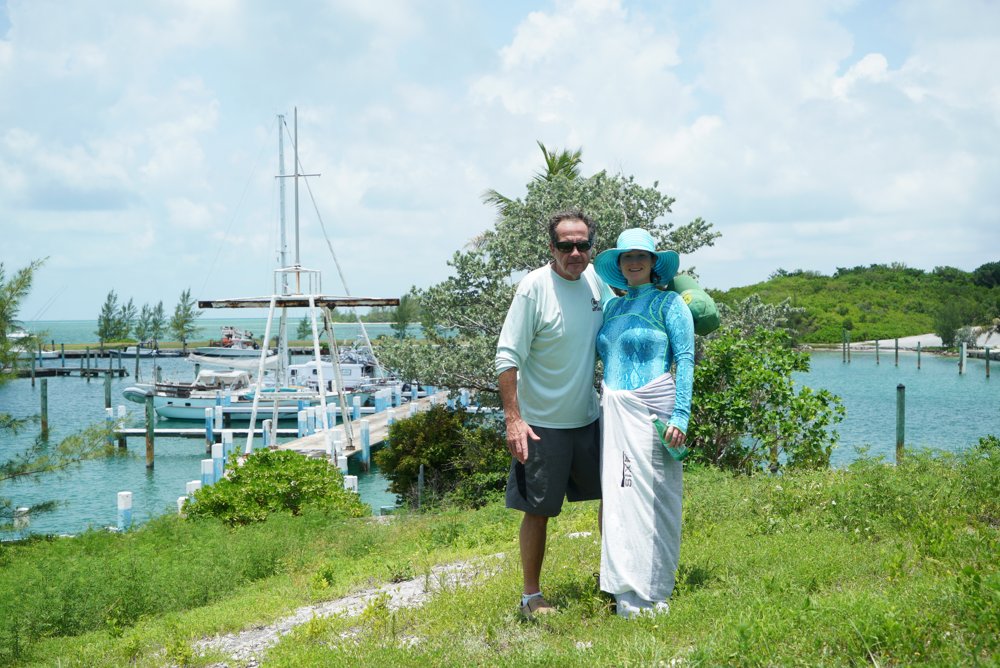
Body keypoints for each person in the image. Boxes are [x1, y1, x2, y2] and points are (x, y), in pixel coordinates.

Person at [495, 209, 611, 620]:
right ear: (552, 248)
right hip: (542, 424)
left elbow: (628, 310)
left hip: (589, 418)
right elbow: (507, 357)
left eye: (582, 244)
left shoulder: (597, 280)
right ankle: (531, 597)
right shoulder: (533, 288)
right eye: (566, 245)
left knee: (613, 500)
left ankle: (613, 580)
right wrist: (514, 419)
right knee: (539, 511)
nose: (575, 252)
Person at [592, 227, 695, 619]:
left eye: (641, 255)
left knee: (656, 498)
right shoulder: (614, 308)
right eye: (626, 256)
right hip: (614, 410)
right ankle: (623, 588)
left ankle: (654, 589)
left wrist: (681, 415)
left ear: (654, 263)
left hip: (654, 408)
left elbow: (684, 359)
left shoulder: (669, 304)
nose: (634, 261)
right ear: (618, 265)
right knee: (620, 496)